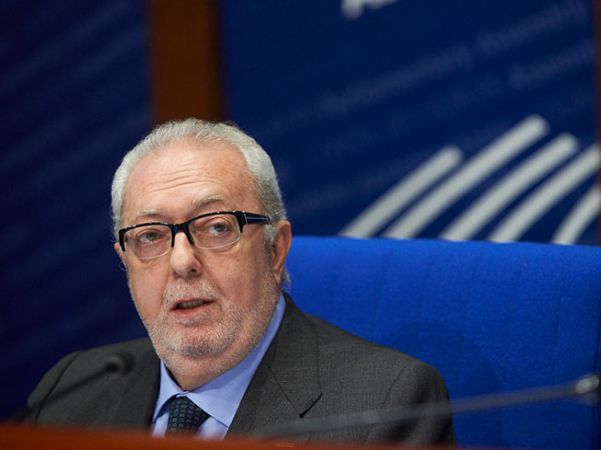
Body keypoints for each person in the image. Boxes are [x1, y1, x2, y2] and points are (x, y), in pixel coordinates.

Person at [23, 119, 455, 445]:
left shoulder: (386, 404)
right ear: (125, 261)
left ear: (275, 249)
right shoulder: (70, 393)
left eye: (216, 227)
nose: (182, 262)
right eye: (150, 236)